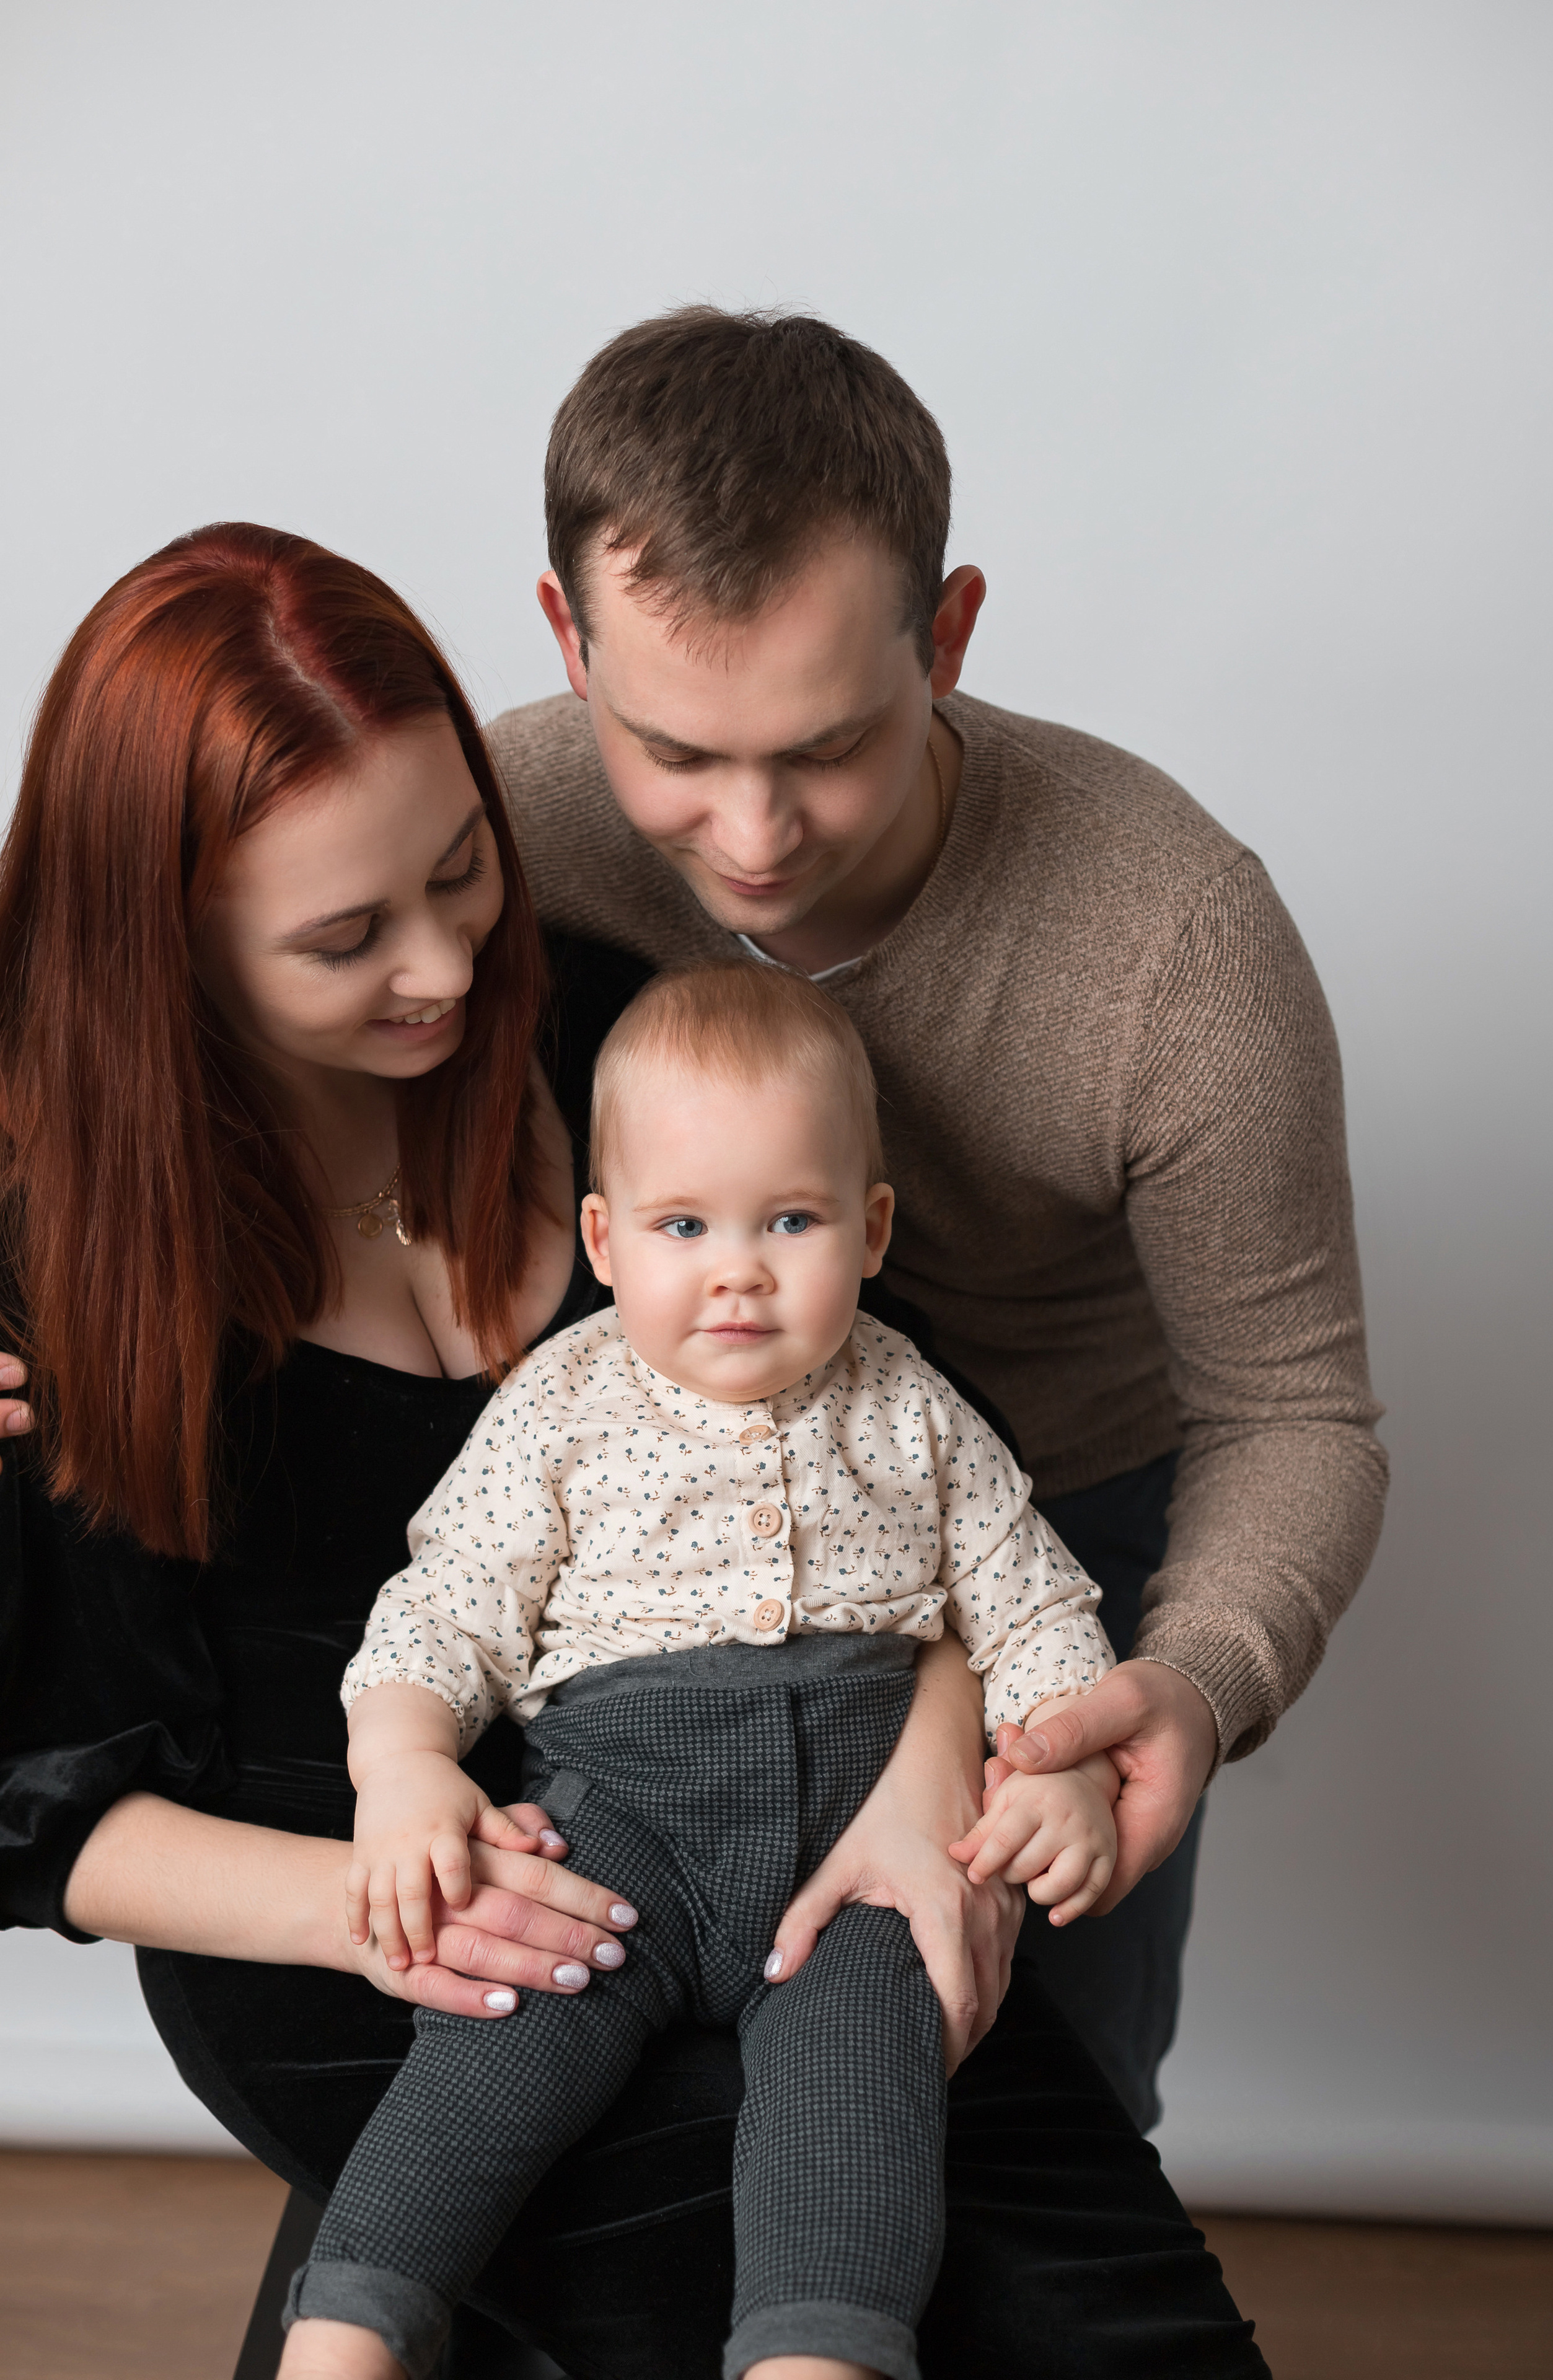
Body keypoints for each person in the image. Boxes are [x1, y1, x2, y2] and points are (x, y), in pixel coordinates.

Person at [0, 525, 1269, 2376]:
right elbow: (31, 1797)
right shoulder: (52, 1268)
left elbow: (901, 1478)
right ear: (167, 951)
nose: (446, 967)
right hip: (390, 1952)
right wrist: (394, 1897)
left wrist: (929, 1784)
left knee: (1107, 2309)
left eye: (462, 869)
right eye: (347, 937)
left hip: (823, 1855)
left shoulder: (609, 1034)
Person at [490, 304, 1391, 2131]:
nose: (752, 838)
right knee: (585, 2120)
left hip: (1058, 1537)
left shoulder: (1176, 943)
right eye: (676, 755)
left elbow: (1292, 1411)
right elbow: (153, 993)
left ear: (950, 634)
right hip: (645, 1516)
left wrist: (1191, 1681)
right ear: (567, 640)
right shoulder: (502, 820)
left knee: (1044, 2127)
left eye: (825, 748)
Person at [283, 961, 1119, 2380]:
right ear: (604, 1240)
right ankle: (348, 2332)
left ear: (870, 1229)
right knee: (485, 2060)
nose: (737, 1270)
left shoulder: (913, 1407)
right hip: (624, 1827)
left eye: (789, 1220)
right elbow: (446, 1609)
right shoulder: (559, 1403)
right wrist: (404, 1767)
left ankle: (814, 2357)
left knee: (858, 2117)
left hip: (857, 1856)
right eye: (683, 1225)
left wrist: (1066, 1764)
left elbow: (1027, 1606)